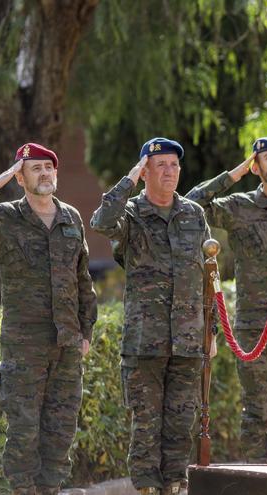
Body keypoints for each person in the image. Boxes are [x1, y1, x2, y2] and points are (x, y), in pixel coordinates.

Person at [0, 143, 97, 495]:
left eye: (48, 167)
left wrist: (85, 331)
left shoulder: (70, 218)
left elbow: (83, 280)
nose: (44, 174)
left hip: (68, 347)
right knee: (24, 433)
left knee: (60, 432)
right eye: (34, 169)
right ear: (20, 177)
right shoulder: (3, 218)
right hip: (23, 348)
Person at [90, 137, 210, 495]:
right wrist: (128, 181)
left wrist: (212, 332)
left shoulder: (193, 214)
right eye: (160, 166)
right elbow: (100, 221)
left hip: (188, 339)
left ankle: (175, 486)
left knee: (180, 422)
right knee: (146, 424)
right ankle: (146, 489)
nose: (170, 172)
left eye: (174, 165)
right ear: (145, 172)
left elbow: (209, 276)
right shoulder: (129, 215)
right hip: (146, 340)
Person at [186, 137, 267, 463]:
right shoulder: (240, 207)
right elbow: (191, 205)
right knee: (258, 412)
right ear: (256, 167)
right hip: (255, 325)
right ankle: (256, 480)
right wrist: (234, 174)